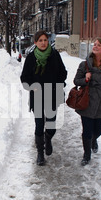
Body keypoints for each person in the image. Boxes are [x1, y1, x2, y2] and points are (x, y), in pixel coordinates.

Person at [20, 30, 68, 166]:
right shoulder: (31, 58)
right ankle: (40, 153)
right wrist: (32, 87)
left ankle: (48, 138)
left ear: (48, 41)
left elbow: (63, 72)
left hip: (52, 94)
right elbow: (24, 78)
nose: (43, 43)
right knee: (39, 124)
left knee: (51, 125)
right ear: (35, 42)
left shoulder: (54, 55)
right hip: (38, 96)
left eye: (45, 40)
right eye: (40, 40)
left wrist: (58, 84)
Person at [73, 38, 101, 166]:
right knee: (87, 130)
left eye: (99, 45)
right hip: (87, 100)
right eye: (95, 44)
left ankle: (93, 140)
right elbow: (76, 81)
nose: (96, 46)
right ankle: (87, 155)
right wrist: (85, 80)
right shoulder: (85, 64)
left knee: (99, 129)